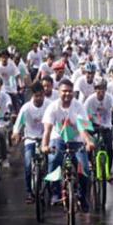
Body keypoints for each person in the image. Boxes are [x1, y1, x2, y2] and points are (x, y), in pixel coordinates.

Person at [41, 79, 95, 210]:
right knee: (54, 160)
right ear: (59, 92)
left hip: (76, 140)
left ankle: (82, 196)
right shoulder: (52, 107)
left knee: (84, 169)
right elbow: (47, 130)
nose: (67, 94)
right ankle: (55, 193)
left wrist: (88, 142)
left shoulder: (79, 106)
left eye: (70, 91)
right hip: (58, 138)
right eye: (64, 91)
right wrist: (45, 145)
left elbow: (82, 128)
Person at [12, 83, 47, 203]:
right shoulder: (26, 108)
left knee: (52, 161)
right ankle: (29, 192)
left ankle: (52, 188)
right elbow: (18, 123)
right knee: (27, 164)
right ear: (33, 95)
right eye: (37, 96)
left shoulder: (49, 105)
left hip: (45, 139)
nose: (39, 98)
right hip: (30, 139)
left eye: (41, 95)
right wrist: (16, 133)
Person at [85, 78, 113, 168]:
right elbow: (83, 113)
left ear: (105, 89)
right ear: (95, 89)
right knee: (89, 144)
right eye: (98, 88)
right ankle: (89, 161)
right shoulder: (90, 100)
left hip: (106, 126)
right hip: (93, 125)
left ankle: (108, 171)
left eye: (103, 88)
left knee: (109, 148)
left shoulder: (109, 97)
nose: (101, 90)